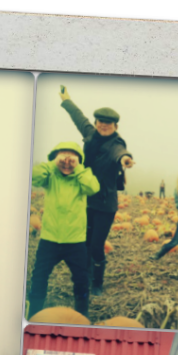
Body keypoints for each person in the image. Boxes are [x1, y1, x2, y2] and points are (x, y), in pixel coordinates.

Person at [59, 86, 135, 295]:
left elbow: (120, 152)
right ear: (96, 123)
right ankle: (85, 274)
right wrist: (66, 100)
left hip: (104, 204)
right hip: (86, 199)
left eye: (108, 123)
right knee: (83, 242)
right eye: (100, 122)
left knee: (96, 246)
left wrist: (125, 159)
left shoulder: (115, 142)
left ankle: (98, 283)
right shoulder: (90, 134)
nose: (103, 125)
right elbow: (78, 116)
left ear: (115, 126)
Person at [27, 141, 99, 319]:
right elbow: (33, 176)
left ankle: (82, 314)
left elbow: (93, 187)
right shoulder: (50, 177)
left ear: (79, 161)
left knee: (81, 280)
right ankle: (34, 313)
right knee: (39, 278)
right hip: (49, 239)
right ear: (55, 159)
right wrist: (53, 163)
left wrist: (79, 168)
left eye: (71, 158)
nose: (67, 163)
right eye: (62, 158)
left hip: (75, 241)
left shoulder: (83, 177)